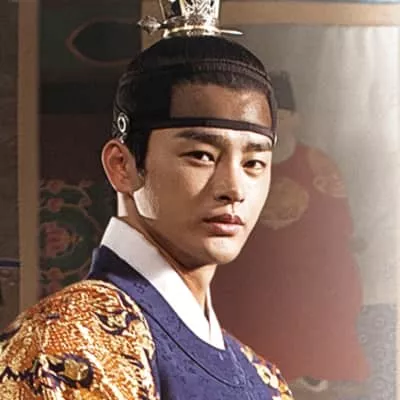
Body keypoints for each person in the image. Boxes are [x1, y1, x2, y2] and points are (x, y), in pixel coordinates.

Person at [0, 1, 293, 399]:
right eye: (201, 155)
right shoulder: (69, 342)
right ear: (122, 165)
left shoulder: (264, 380)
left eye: (254, 163)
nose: (234, 188)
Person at [212, 71, 369, 389]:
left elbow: (339, 221)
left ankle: (313, 367)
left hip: (307, 265)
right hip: (251, 262)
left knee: (330, 281)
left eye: (281, 117)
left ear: (295, 119)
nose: (275, 126)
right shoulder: (236, 163)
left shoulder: (316, 162)